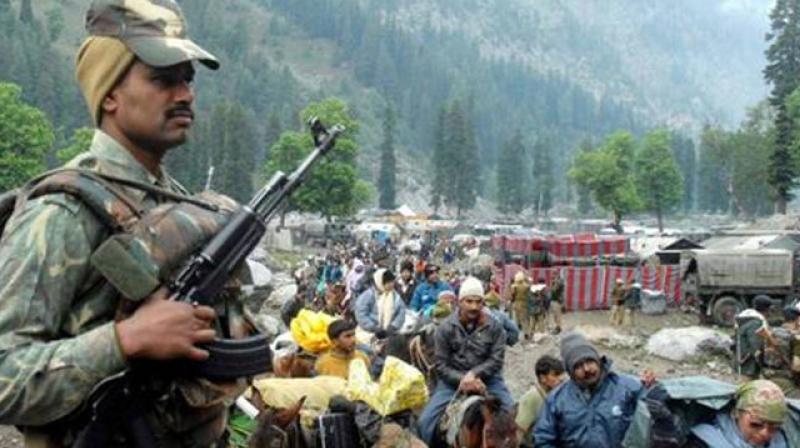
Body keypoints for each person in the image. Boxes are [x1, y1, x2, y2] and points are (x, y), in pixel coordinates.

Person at [0, 1, 251, 445]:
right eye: (163, 79)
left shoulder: (177, 203)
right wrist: (125, 341)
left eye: (187, 79)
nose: (185, 94)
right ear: (109, 94)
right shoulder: (60, 213)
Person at [417, 276, 514, 445]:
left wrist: (474, 374)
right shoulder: (445, 328)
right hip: (451, 384)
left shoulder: (495, 327)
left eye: (478, 302)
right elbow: (441, 365)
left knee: (512, 419)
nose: (474, 306)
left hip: (489, 381)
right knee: (425, 423)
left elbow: (496, 360)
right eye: (469, 301)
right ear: (460, 302)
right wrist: (462, 379)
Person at [533, 331, 646, 447]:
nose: (586, 369)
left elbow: (650, 423)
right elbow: (543, 439)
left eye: (589, 361)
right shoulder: (557, 400)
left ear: (598, 360)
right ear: (570, 372)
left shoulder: (627, 388)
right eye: (578, 366)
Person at [687, 379, 789, 447]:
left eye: (773, 428)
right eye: (755, 424)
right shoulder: (704, 441)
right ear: (736, 413)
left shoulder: (780, 442)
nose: (765, 434)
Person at [516, 355, 567, 447]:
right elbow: (519, 431)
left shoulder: (557, 396)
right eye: (555, 375)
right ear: (543, 378)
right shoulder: (533, 397)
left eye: (561, 375)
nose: (561, 379)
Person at [354, 268, 407, 339]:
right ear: (380, 282)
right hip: (369, 331)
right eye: (388, 283)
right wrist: (373, 327)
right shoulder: (369, 295)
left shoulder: (395, 296)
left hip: (390, 331)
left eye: (392, 282)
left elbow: (401, 312)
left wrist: (394, 326)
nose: (391, 285)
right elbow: (361, 313)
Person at [735, 296, 773, 381]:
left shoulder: (747, 320)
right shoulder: (755, 323)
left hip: (744, 361)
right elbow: (756, 347)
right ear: (767, 309)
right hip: (748, 366)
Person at [508, 271, 531, 339]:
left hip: (516, 303)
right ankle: (526, 333)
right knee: (524, 319)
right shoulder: (526, 286)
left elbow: (512, 296)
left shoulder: (514, 287)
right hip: (524, 303)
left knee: (516, 320)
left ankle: (516, 334)